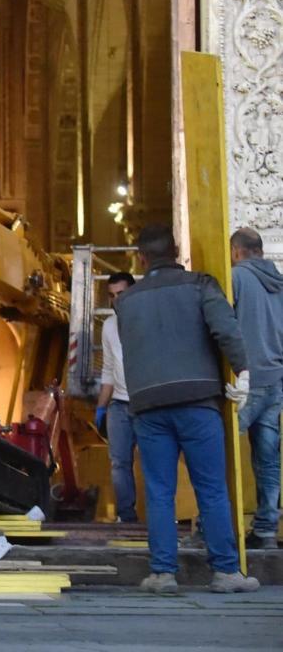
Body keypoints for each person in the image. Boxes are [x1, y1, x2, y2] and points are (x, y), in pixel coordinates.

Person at [115, 224, 258, 595]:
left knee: (160, 491)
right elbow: (226, 330)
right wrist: (242, 372)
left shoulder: (126, 302)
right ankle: (226, 572)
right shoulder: (201, 285)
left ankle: (163, 573)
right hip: (197, 401)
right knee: (211, 488)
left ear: (141, 259)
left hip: (148, 407)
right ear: (177, 252)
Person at [230, 227, 283, 550]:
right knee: (268, 457)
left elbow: (225, 326)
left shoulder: (236, 278)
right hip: (276, 380)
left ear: (237, 251)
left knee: (218, 452)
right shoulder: (279, 283)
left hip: (245, 381)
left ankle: (212, 526)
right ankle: (265, 530)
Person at [94, 271, 139, 523]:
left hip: (145, 404)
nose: (116, 300)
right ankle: (126, 516)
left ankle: (159, 517)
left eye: (121, 293)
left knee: (155, 463)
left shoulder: (147, 320)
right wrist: (101, 408)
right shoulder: (109, 326)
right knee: (119, 464)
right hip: (119, 405)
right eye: (111, 296)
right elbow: (108, 369)